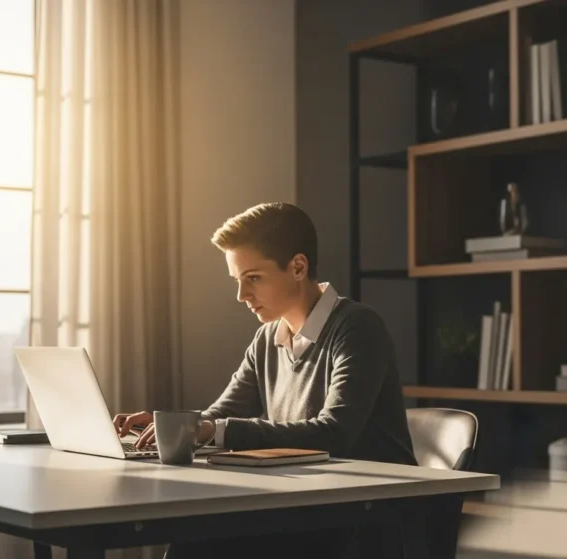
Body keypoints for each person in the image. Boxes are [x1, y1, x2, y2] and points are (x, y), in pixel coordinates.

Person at [113, 202, 417, 558]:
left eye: (253, 278)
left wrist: (209, 429)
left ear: (298, 267)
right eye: (237, 281)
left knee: (199, 546)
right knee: (193, 541)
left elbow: (335, 433)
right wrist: (173, 426)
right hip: (308, 506)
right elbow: (221, 414)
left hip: (364, 518)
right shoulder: (267, 339)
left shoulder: (357, 327)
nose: (242, 295)